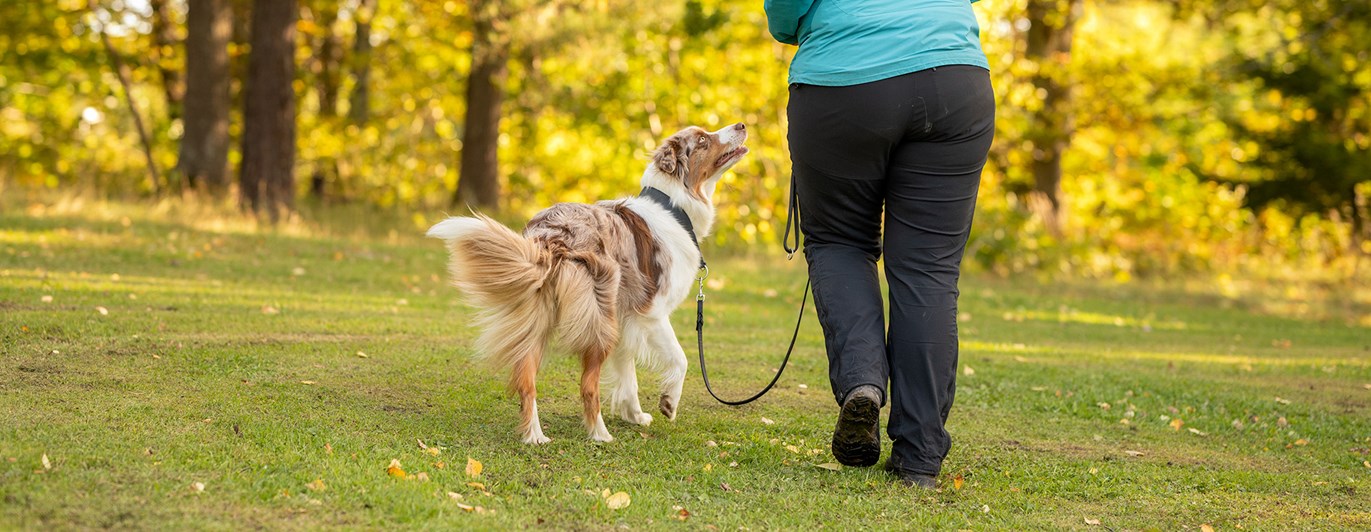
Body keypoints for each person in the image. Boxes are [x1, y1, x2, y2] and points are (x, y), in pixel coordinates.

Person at [763, 0, 995, 488]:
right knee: (928, 272)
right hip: (953, 77)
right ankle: (918, 460)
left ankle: (862, 383)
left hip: (843, 79)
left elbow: (785, 11)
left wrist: (793, 28)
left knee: (839, 243)